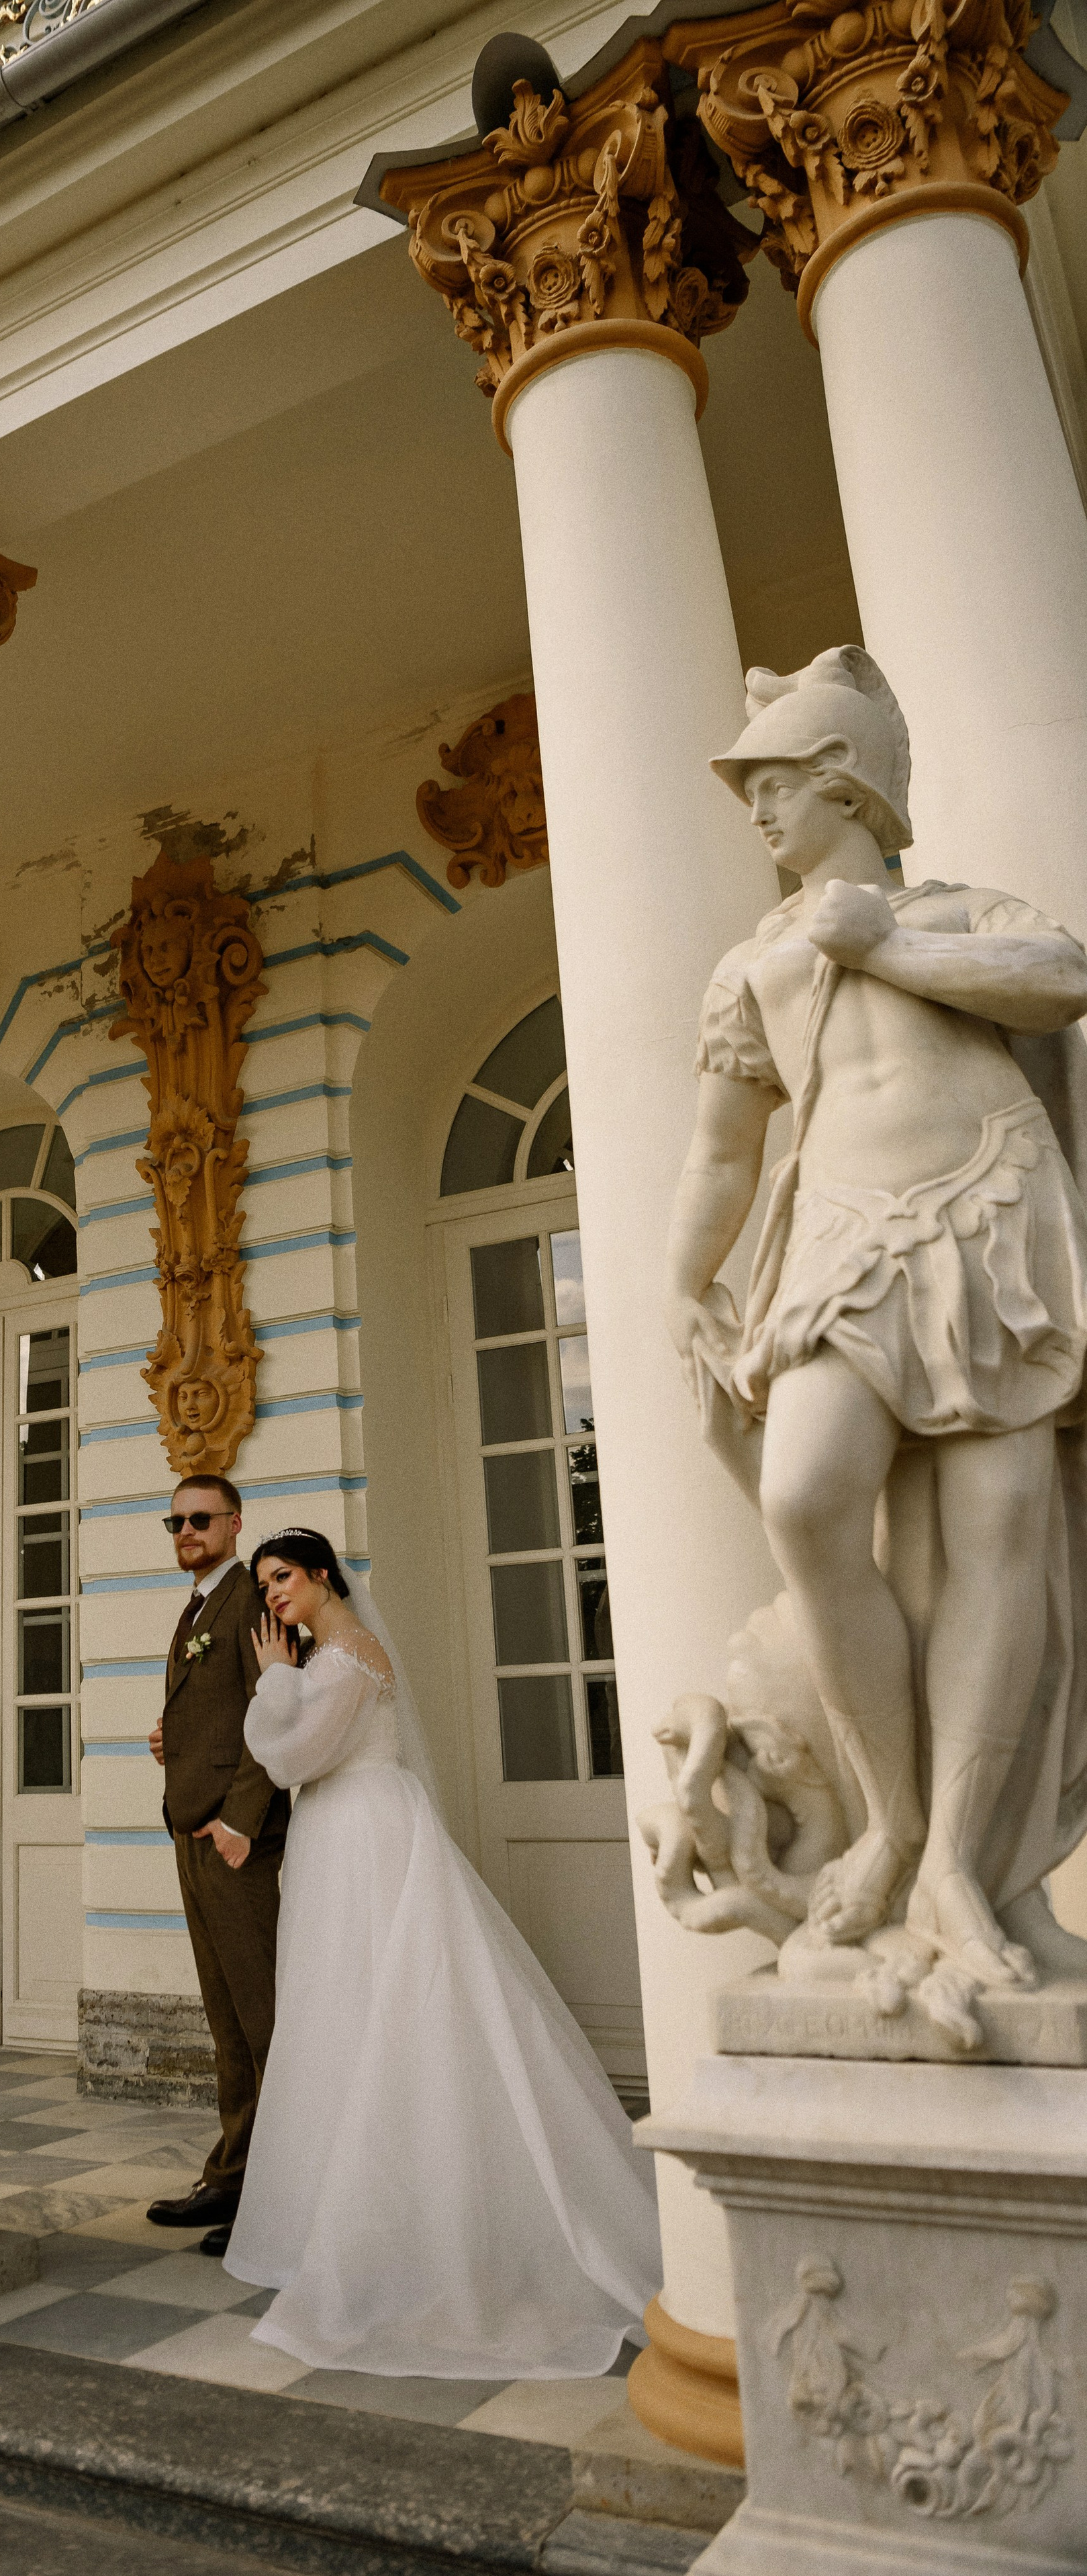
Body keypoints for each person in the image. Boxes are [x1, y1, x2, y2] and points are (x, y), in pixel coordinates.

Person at [666, 647, 1087, 1994]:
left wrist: (891, 942)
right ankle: (891, 1814)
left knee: (997, 1533)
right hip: (842, 1241)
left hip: (989, 1216)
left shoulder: (957, 912)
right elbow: (722, 1149)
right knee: (801, 1499)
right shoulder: (754, 962)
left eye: (775, 786)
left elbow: (1059, 978)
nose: (758, 814)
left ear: (842, 784)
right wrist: (685, 1275)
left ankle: (956, 1857)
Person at [222, 1526, 659, 2377]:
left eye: (281, 1577)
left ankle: (414, 2216)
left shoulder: (348, 1656)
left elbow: (295, 1757)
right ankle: (337, 2213)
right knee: (339, 2014)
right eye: (264, 1584)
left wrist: (276, 1679)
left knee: (389, 2009)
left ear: (321, 1575)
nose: (271, 1595)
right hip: (341, 1838)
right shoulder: (330, 1656)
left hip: (368, 1842)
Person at [145, 1474, 288, 2251]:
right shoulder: (197, 1604)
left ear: (234, 1523)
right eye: (175, 1521)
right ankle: (229, 2177)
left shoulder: (251, 1600)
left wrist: (238, 1820)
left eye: (199, 1519)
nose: (186, 1531)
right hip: (189, 1833)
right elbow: (218, 1712)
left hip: (238, 1843)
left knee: (263, 2022)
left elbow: (276, 1710)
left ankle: (272, 2196)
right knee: (225, 2023)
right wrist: (173, 1737)